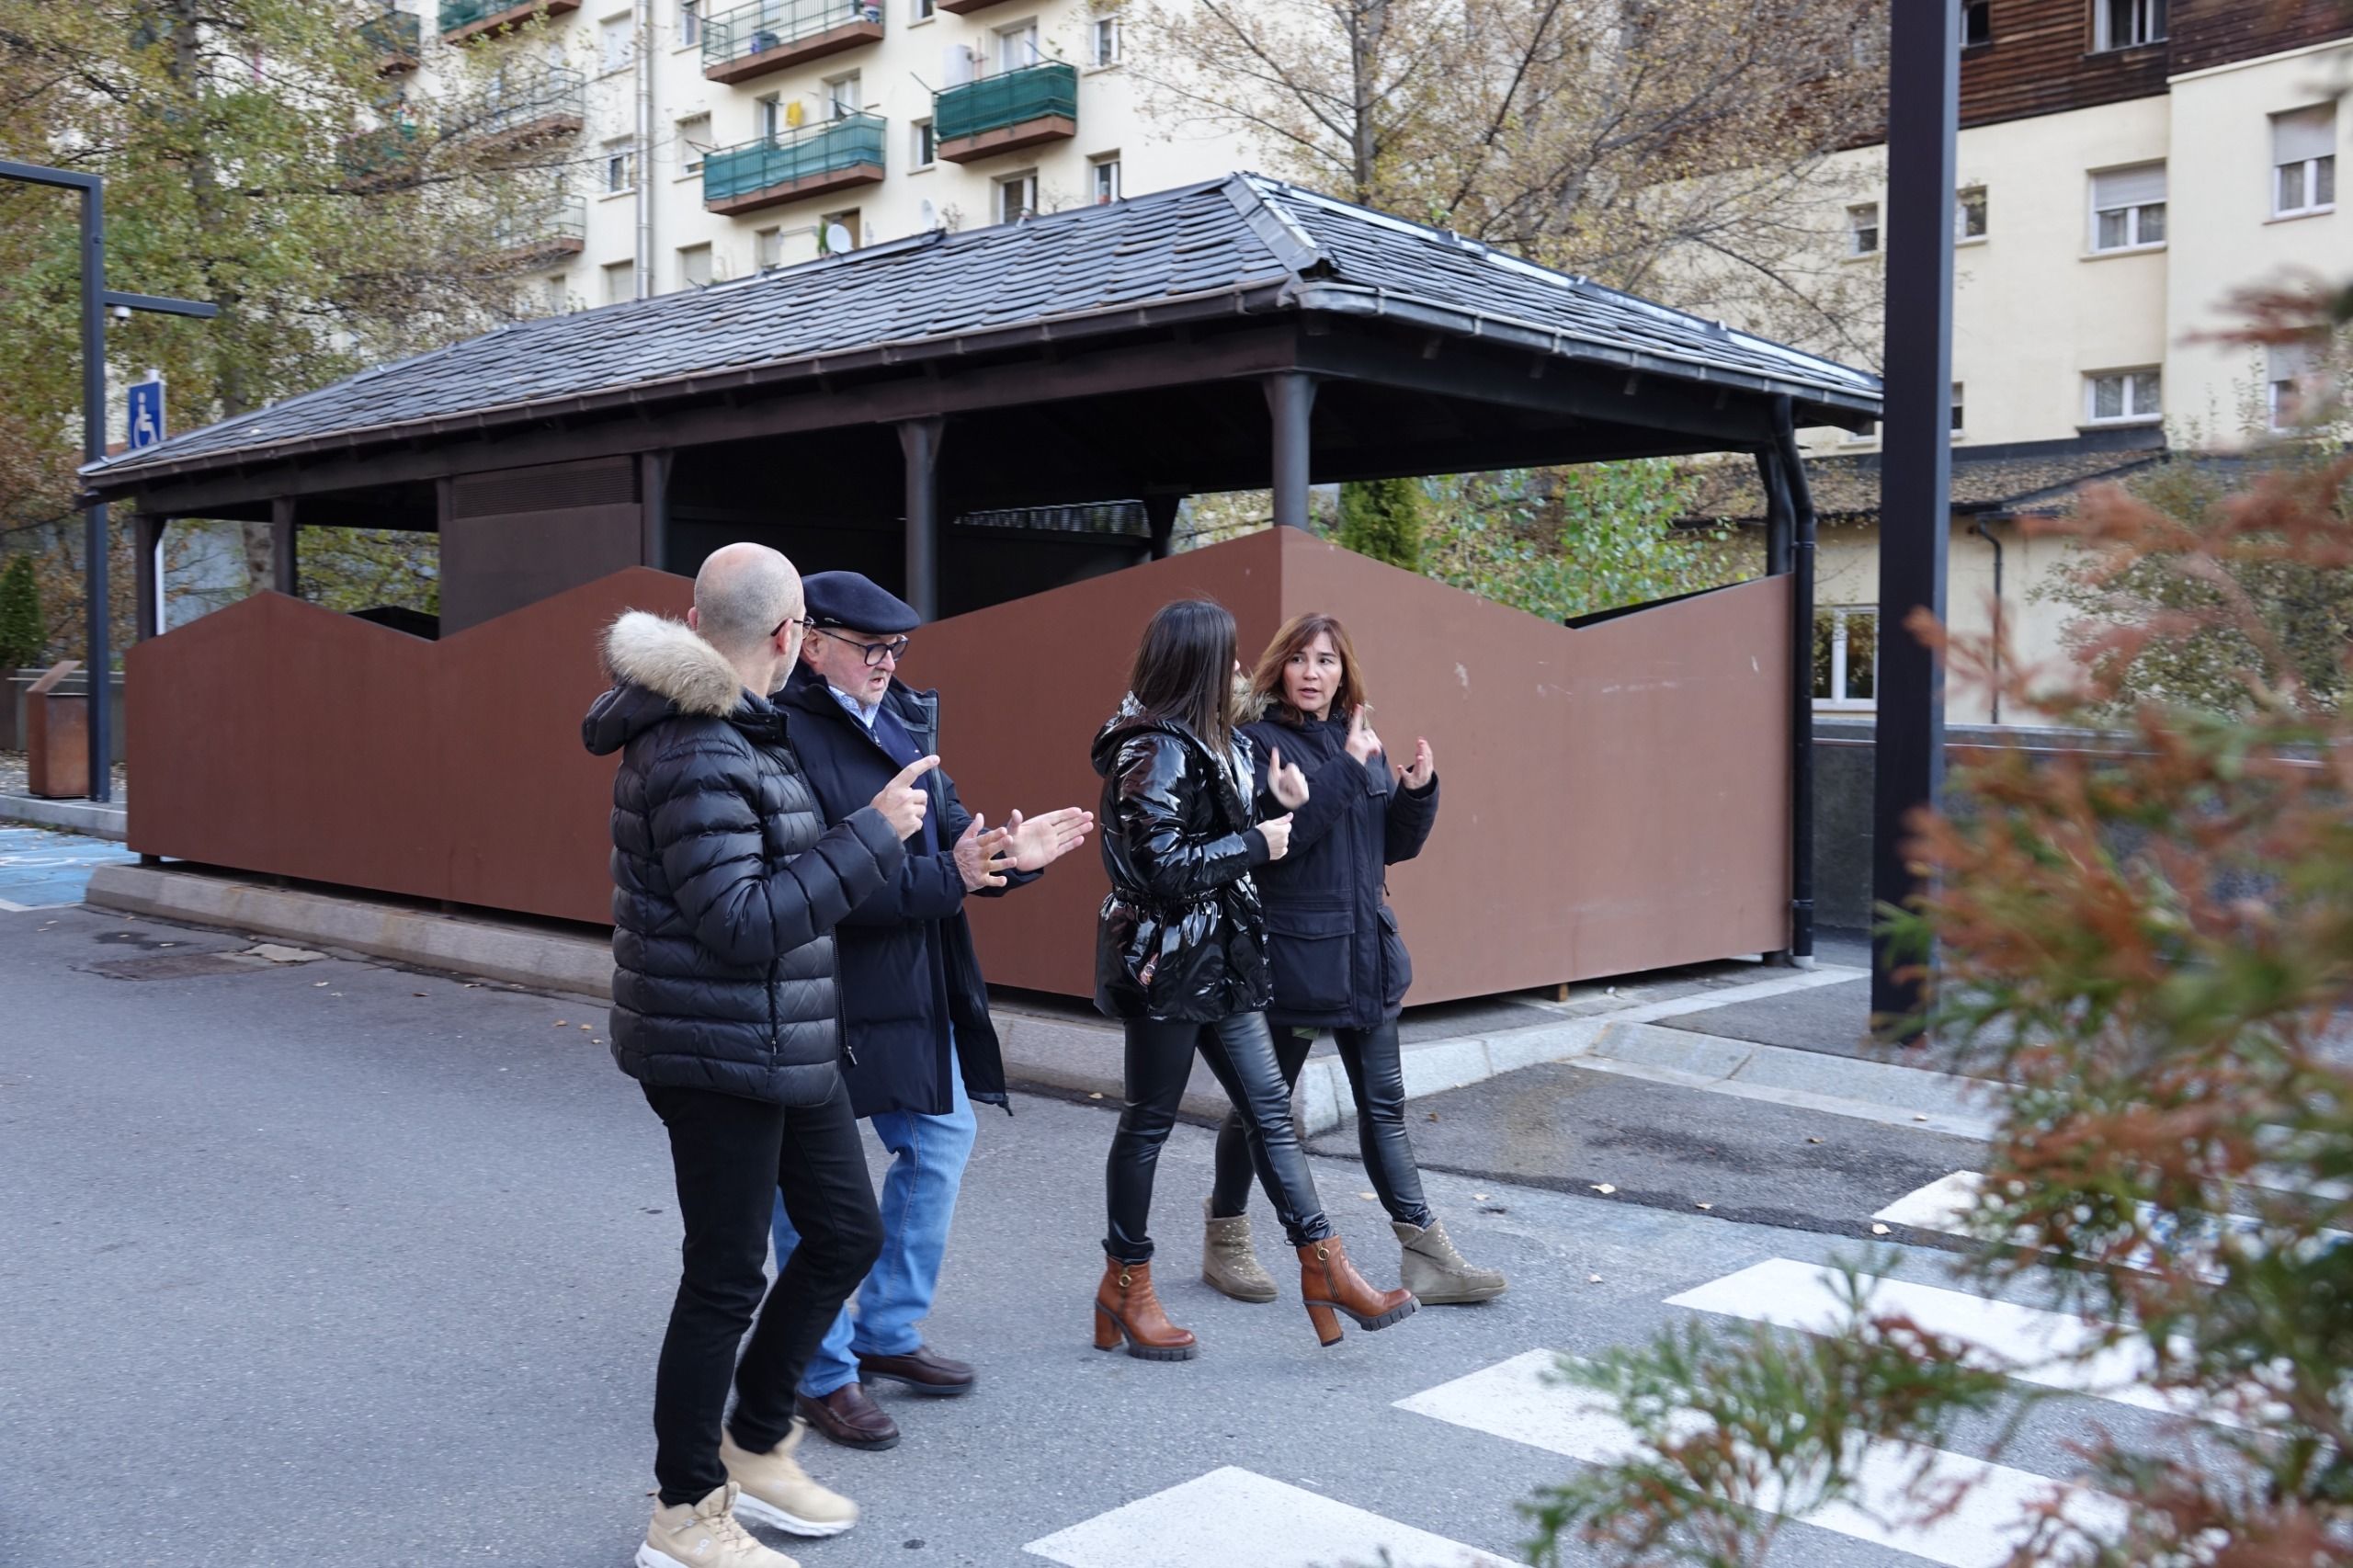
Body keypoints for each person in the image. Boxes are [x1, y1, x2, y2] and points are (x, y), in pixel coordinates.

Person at [584, 542, 937, 1568]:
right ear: (788, 635)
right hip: (714, 1047)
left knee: (842, 1231)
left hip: (785, 1034)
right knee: (725, 1275)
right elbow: (740, 920)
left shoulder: (744, 725)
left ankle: (753, 1441)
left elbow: (771, 880)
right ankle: (685, 1512)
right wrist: (871, 834)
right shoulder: (697, 745)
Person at [767, 572, 1095, 1450]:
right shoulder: (783, 731)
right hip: (817, 990)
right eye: (869, 648)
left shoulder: (903, 716)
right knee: (810, 1192)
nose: (886, 663)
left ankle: (884, 1332)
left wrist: (1004, 856)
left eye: (896, 648)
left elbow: (952, 844)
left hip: (911, 980)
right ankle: (819, 1369)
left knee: (941, 1139)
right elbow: (819, 885)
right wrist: (950, 873)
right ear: (810, 641)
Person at [1089, 597, 1417, 1354]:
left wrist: (1282, 806)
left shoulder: (1208, 739)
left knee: (1273, 1113)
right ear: (1198, 662)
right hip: (1168, 965)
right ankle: (1125, 1286)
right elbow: (1160, 866)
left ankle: (1324, 1263)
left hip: (1226, 960)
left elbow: (1242, 826)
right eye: (1230, 655)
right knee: (1148, 1125)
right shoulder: (1154, 749)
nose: (1244, 668)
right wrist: (1257, 845)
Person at [1199, 613, 1508, 1308]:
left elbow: (1382, 849)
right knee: (1261, 1110)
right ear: (1280, 668)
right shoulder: (1254, 746)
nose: (1313, 673)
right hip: (1294, 960)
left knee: (1385, 1107)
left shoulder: (1359, 741)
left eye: (1327, 661)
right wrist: (1345, 769)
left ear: (1345, 672)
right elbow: (1283, 842)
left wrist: (1417, 795)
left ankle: (1427, 1254)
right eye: (1302, 659)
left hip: (1367, 954)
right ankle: (1225, 1235)